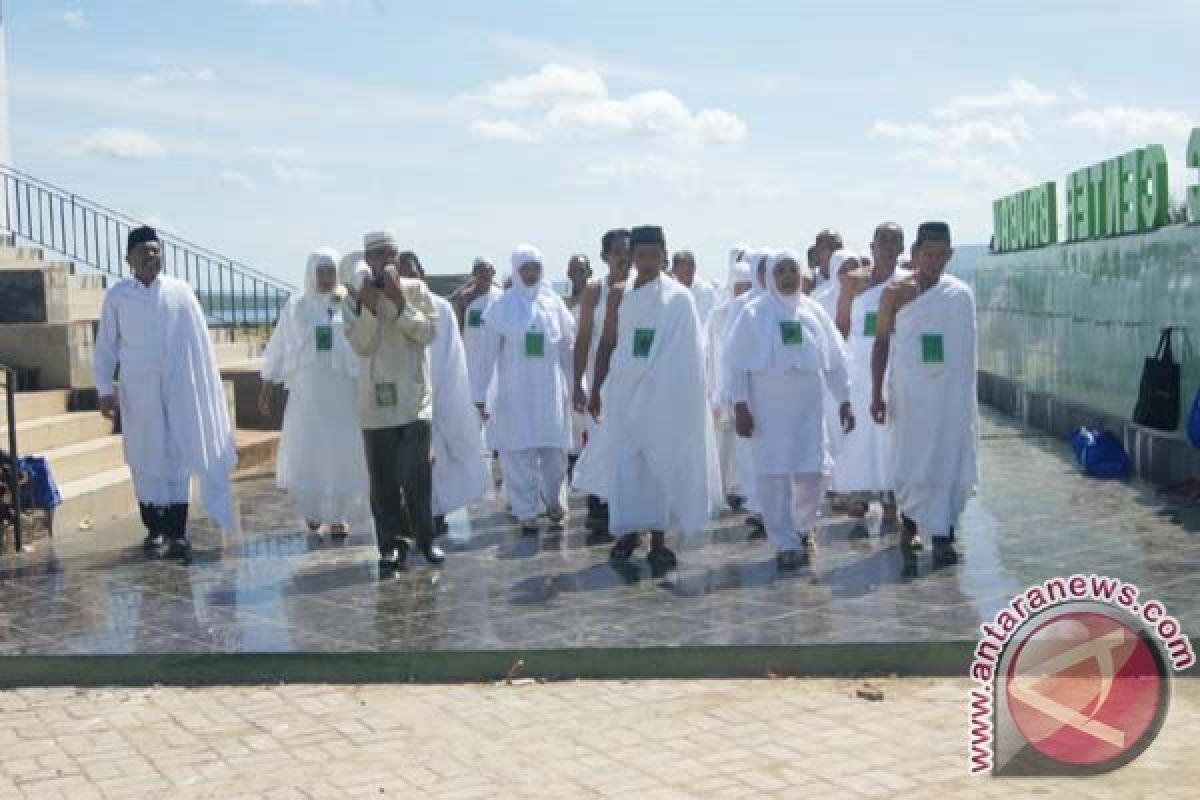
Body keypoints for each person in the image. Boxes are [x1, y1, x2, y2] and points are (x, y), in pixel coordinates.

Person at [95, 226, 237, 563]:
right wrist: (103, 388)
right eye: (143, 250)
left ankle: (178, 531)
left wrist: (202, 387)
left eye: (155, 250)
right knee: (145, 456)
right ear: (128, 258)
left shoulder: (181, 293)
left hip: (179, 388)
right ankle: (154, 528)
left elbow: (200, 345)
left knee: (177, 455)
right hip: (138, 390)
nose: (150, 256)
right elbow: (105, 347)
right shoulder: (118, 297)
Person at [589, 225, 719, 572]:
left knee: (660, 463)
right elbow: (608, 342)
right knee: (627, 464)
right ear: (631, 257)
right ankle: (628, 533)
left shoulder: (679, 298)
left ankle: (659, 540)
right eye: (640, 255)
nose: (646, 262)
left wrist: (670, 392)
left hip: (664, 399)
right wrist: (595, 389)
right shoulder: (619, 294)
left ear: (664, 256)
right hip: (624, 394)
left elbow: (689, 358)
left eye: (653, 256)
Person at [728, 249, 853, 568]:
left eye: (792, 270)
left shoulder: (813, 312)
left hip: (808, 411)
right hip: (768, 410)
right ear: (770, 276)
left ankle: (802, 526)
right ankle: (784, 541)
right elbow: (736, 365)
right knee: (774, 475)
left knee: (813, 473)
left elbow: (836, 361)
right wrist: (740, 405)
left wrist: (845, 399)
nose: (787, 276)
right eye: (780, 270)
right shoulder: (753, 314)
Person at [871, 221, 979, 565]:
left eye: (941, 255)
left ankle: (945, 533)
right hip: (911, 395)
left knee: (948, 458)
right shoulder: (894, 293)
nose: (934, 261)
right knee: (912, 458)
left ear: (950, 254)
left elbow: (967, 354)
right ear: (915, 253)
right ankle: (911, 523)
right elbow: (881, 341)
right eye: (928, 254)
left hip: (950, 399)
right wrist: (877, 392)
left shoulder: (960, 295)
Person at [341, 230, 443, 574]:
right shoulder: (353, 296)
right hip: (377, 405)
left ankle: (426, 540)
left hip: (415, 401)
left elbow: (429, 333)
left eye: (392, 254)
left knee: (417, 477)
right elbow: (362, 346)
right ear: (367, 260)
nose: (387, 261)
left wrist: (400, 302)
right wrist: (369, 308)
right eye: (380, 255)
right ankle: (391, 546)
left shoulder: (416, 290)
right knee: (383, 482)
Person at [258, 247, 369, 540]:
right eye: (321, 271)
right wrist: (267, 385)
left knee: (341, 449)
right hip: (309, 391)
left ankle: (339, 514)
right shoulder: (297, 306)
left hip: (342, 389)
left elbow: (364, 339)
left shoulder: (347, 302)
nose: (326, 277)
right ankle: (314, 509)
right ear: (311, 273)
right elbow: (280, 344)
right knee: (310, 448)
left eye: (331, 271)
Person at [472, 245, 576, 535]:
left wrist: (575, 387)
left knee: (555, 454)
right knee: (518, 455)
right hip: (516, 395)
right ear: (516, 271)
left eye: (535, 269)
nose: (530, 274)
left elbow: (567, 349)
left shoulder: (554, 305)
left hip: (550, 393)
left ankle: (555, 499)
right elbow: (486, 356)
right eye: (525, 269)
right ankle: (526, 511)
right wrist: (480, 395)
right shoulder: (501, 308)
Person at [400, 252, 490, 536]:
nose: (409, 280)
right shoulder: (390, 310)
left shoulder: (441, 309)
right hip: (401, 404)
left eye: (413, 273)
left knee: (437, 459)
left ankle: (434, 513)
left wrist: (456, 397)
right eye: (402, 276)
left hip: (437, 397)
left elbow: (453, 357)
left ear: (422, 274)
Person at [831, 224, 908, 524]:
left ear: (902, 248)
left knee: (890, 431)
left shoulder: (906, 283)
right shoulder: (853, 282)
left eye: (895, 242)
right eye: (883, 241)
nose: (888, 247)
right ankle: (858, 491)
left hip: (893, 359)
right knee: (860, 432)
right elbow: (842, 325)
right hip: (859, 364)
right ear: (872, 246)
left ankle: (891, 494)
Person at [570, 229, 632, 538]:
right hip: (601, 380)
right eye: (618, 251)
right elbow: (582, 339)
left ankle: (629, 507)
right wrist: (578, 382)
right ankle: (599, 504)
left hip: (635, 382)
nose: (624, 257)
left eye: (629, 251)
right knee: (601, 442)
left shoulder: (644, 287)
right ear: (605, 257)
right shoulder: (595, 292)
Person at [705, 250, 754, 510]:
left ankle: (747, 489)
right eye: (740, 286)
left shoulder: (756, 314)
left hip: (748, 388)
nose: (744, 291)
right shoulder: (718, 315)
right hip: (722, 387)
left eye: (748, 286)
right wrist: (715, 390)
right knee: (725, 441)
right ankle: (729, 487)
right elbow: (712, 355)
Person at [455, 258, 504, 453]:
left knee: (494, 409)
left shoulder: (501, 298)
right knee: (471, 412)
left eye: (488, 271)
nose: (484, 275)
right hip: (470, 360)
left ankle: (496, 453)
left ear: (493, 274)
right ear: (473, 274)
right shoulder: (464, 299)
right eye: (480, 271)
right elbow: (458, 330)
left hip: (494, 361)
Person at [564, 253, 593, 476]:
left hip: (592, 360)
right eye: (574, 270)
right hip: (569, 362)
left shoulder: (597, 300)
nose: (578, 275)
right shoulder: (563, 304)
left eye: (582, 270)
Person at [671, 250, 718, 325]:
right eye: (683, 270)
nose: (687, 271)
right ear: (674, 270)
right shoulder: (670, 291)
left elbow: (708, 322)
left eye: (690, 268)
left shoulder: (705, 291)